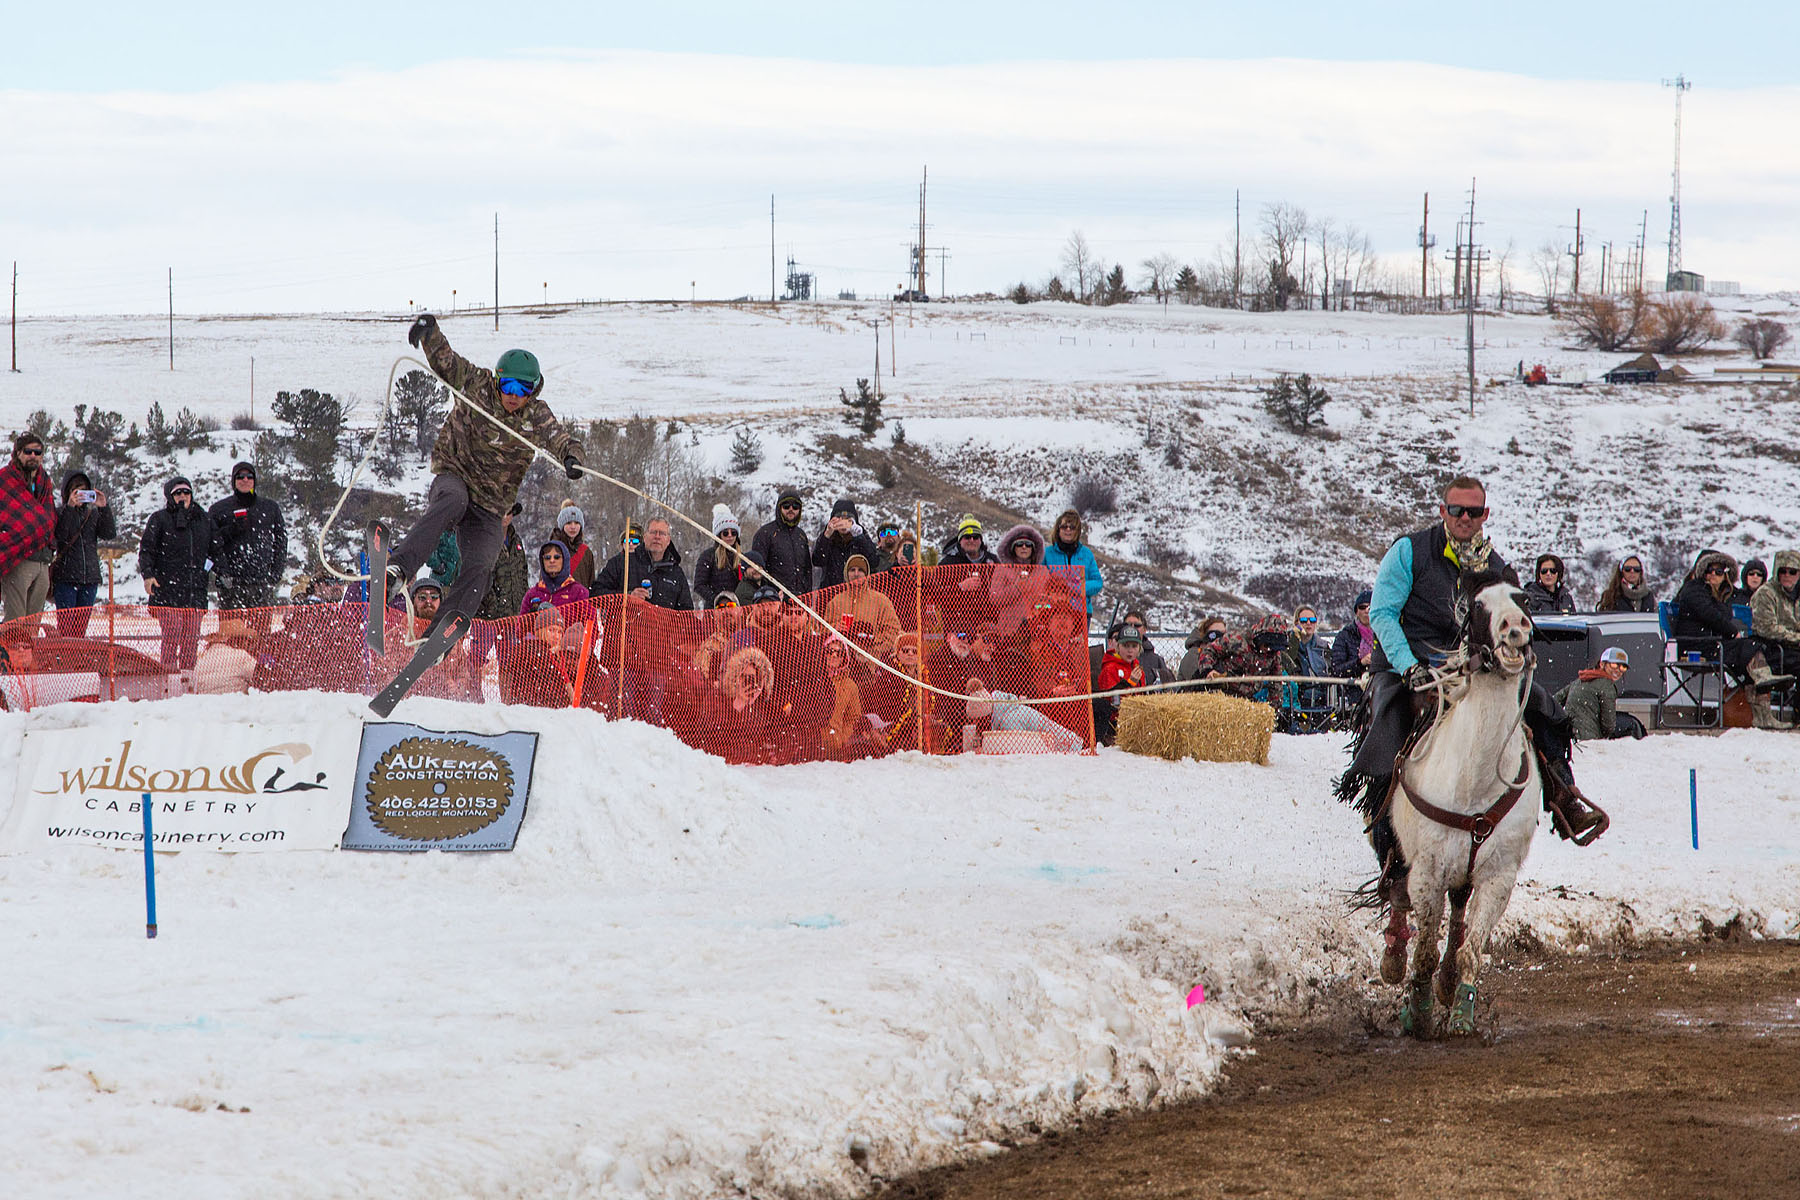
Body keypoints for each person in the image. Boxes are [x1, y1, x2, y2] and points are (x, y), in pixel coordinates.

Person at [1338, 475, 1610, 985]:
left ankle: (1564, 794)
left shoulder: (1493, 562)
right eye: (1457, 511)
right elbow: (1383, 614)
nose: (1465, 520)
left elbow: (1508, 610)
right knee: (1385, 736)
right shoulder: (1408, 552)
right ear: (1442, 511)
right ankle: (1390, 851)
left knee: (1546, 711)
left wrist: (1506, 646)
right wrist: (1407, 664)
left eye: (1475, 512)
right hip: (1410, 664)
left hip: (1469, 666)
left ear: (1486, 514)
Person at [390, 313, 585, 633]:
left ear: (533, 391)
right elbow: (447, 363)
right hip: (457, 475)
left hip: (492, 505)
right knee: (452, 502)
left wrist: (572, 457)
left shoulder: (536, 414)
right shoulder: (478, 384)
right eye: (507, 384)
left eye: (522, 389)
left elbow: (561, 439)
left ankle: (443, 629)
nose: (512, 394)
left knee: (482, 562)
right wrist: (429, 333)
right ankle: (400, 567)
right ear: (497, 379)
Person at [1674, 550, 1793, 728]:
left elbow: (1723, 615)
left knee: (1753, 650)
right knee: (1747, 647)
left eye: (1719, 572)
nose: (1713, 575)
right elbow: (1710, 615)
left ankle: (1763, 714)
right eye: (1709, 571)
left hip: (1712, 643)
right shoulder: (1694, 589)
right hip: (1696, 645)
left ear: (1726, 575)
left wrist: (1720, 598)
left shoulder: (1720, 594)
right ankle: (1764, 678)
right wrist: (1732, 632)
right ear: (1702, 573)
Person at [139, 476, 214, 672]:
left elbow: (215, 549)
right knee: (171, 636)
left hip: (194, 591)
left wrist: (209, 570)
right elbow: (146, 550)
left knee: (191, 640)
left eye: (186, 492)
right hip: (167, 590)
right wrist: (148, 575)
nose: (182, 496)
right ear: (169, 496)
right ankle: (168, 678)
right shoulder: (159, 519)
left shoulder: (204, 520)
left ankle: (188, 682)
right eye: (177, 493)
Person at [207, 461, 288, 619]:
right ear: (233, 481)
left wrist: (275, 573)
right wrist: (223, 573)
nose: (245, 480)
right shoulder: (219, 509)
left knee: (261, 636)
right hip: (231, 584)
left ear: (254, 480)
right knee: (232, 637)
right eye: (240, 477)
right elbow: (211, 544)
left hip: (261, 583)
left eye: (249, 476)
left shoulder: (270, 508)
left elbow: (281, 540)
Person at [469, 502, 529, 700]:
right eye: (501, 512)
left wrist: (522, 602)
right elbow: (480, 576)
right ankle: (473, 698)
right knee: (477, 659)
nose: (505, 516)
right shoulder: (483, 540)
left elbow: (522, 575)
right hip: (486, 615)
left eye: (509, 512)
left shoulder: (517, 541)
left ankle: (509, 701)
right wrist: (494, 606)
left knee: (509, 662)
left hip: (512, 615)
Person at [0, 433, 57, 625]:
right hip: (17, 559)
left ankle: (26, 656)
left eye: (38, 452)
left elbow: (48, 519)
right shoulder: (4, 480)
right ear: (17, 453)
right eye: (28, 451)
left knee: (33, 622)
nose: (33, 455)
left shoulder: (44, 482)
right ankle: (8, 655)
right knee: (15, 620)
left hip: (42, 561)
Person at [50, 470, 115, 637]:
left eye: (85, 491)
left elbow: (108, 533)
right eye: (77, 491)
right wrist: (70, 508)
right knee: (66, 628)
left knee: (80, 629)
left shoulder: (92, 514)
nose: (81, 495)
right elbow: (61, 536)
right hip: (66, 578)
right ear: (68, 492)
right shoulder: (59, 513)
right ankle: (64, 659)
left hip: (89, 578)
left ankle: (76, 660)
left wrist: (103, 508)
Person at [593, 517, 693, 612]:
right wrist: (626, 597)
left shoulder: (676, 573)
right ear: (645, 537)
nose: (657, 537)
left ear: (668, 540)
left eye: (662, 533)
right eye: (653, 532)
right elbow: (595, 594)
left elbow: (686, 613)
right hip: (625, 628)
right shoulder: (621, 562)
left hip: (661, 629)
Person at [1190, 612, 1289, 700]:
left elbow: (1276, 683)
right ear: (1259, 638)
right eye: (1267, 645)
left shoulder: (1274, 655)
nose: (1269, 650)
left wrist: (1274, 710)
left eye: (1275, 648)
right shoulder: (1236, 640)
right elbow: (1209, 650)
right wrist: (1208, 670)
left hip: (1246, 698)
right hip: (1220, 691)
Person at [1553, 647, 1646, 741]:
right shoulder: (1606, 685)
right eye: (1614, 665)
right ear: (1602, 664)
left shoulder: (1581, 679)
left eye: (1623, 667)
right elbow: (1608, 725)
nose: (1618, 670)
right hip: (1589, 742)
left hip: (1569, 738)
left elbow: (1555, 700)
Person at [821, 553, 901, 659]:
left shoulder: (881, 601)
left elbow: (894, 630)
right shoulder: (836, 601)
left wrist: (872, 642)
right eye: (852, 570)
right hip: (841, 661)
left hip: (871, 661)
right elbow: (821, 631)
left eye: (860, 570)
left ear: (866, 574)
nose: (856, 574)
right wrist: (834, 629)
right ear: (846, 574)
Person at [988, 524, 1051, 643]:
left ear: (1033, 549)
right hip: (1008, 632)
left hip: (1036, 631)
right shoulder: (1002, 569)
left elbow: (1049, 602)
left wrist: (1039, 607)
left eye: (1028, 545)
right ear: (1012, 548)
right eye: (1019, 544)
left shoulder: (1043, 572)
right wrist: (1016, 588)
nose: (1024, 547)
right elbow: (994, 598)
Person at [750, 489, 812, 598]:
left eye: (795, 507)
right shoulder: (765, 533)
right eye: (786, 506)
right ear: (779, 508)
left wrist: (808, 595)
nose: (791, 509)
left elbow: (807, 570)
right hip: (775, 600)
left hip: (800, 601)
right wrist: (768, 596)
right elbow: (757, 571)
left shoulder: (801, 535)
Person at [1041, 509, 1103, 616]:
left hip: (1081, 612)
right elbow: (1039, 580)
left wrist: (1078, 587)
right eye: (1064, 527)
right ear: (1058, 529)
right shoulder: (1047, 553)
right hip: (1052, 611)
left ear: (1077, 531)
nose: (1068, 530)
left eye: (1072, 527)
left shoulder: (1087, 554)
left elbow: (1097, 582)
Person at [1094, 624, 1148, 745]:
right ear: (1118, 647)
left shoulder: (1138, 669)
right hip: (1114, 723)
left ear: (1139, 648)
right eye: (1126, 646)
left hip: (1136, 719)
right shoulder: (1110, 668)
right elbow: (1112, 700)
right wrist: (1130, 683)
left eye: (1134, 646)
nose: (1130, 650)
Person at [1751, 550, 1800, 677]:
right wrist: (1796, 638)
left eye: (1792, 571)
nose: (1787, 575)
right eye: (1782, 571)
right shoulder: (1766, 593)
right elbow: (1766, 628)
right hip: (1773, 649)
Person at [812, 498, 880, 591]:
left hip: (857, 593)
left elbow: (874, 561)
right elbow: (817, 560)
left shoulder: (861, 535)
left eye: (848, 520)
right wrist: (826, 536)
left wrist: (859, 536)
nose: (843, 524)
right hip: (831, 595)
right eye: (839, 520)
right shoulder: (828, 537)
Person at [694, 504, 745, 608]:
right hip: (714, 611)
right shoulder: (708, 556)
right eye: (725, 533)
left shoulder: (743, 558)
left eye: (733, 532)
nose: (730, 536)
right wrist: (718, 600)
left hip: (736, 610)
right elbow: (699, 585)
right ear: (719, 535)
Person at [522, 540, 590, 615]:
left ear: (565, 560)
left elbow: (591, 622)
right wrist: (530, 620)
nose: (552, 561)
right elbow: (520, 625)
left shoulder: (578, 592)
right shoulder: (532, 594)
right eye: (547, 557)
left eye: (557, 557)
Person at [193, 620, 259, 695]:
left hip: (207, 704)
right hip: (235, 703)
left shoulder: (202, 659)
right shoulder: (241, 656)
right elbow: (259, 676)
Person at [1329, 591, 1374, 680]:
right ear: (1356, 612)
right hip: (1354, 689)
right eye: (1362, 607)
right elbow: (1336, 670)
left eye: (1370, 607)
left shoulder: (1385, 636)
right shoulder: (1345, 636)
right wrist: (1360, 663)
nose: (1366, 611)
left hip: (1382, 687)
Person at [557, 502, 598, 593]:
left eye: (576, 523)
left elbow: (591, 583)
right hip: (558, 604)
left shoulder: (586, 552)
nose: (573, 527)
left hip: (581, 604)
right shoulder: (553, 550)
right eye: (568, 523)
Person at [1122, 610, 1170, 683]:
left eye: (1137, 625)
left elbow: (1168, 687)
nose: (1132, 628)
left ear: (1144, 629)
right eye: (1128, 625)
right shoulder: (1114, 658)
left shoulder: (1156, 660)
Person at [1177, 617, 1229, 683]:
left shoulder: (1224, 655)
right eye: (1215, 634)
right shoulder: (1193, 654)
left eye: (1223, 634)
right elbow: (1197, 683)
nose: (1220, 639)